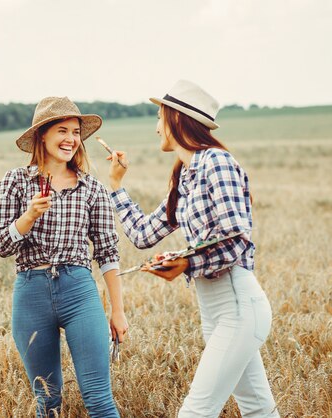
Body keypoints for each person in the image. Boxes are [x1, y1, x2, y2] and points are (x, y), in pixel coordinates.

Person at [107, 80, 279, 417]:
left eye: (159, 117)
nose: (156, 128)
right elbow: (142, 234)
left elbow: (236, 238)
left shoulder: (217, 162)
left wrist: (186, 263)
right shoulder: (184, 176)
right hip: (214, 310)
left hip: (238, 306)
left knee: (197, 410)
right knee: (257, 408)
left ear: (175, 119)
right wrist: (116, 185)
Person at [0, 96, 129, 417]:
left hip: (78, 291)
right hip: (31, 293)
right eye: (62, 131)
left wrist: (118, 311)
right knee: (48, 401)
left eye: (76, 132)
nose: (70, 139)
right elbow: (1, 245)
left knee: (98, 397)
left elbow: (108, 254)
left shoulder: (92, 189)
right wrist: (28, 217)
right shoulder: (15, 182)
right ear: (42, 135)